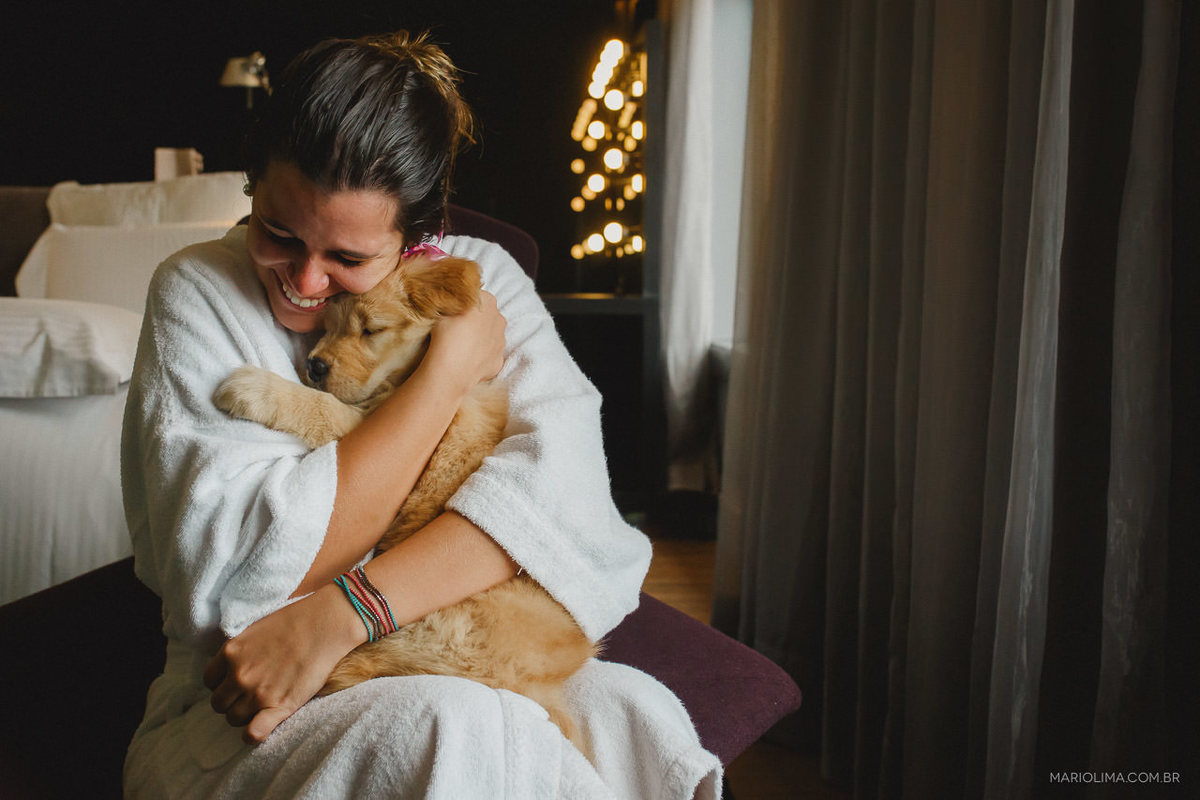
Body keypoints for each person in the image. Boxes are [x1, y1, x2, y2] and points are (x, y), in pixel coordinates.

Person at [120, 30, 721, 799]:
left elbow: (564, 512)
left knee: (634, 711)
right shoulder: (197, 292)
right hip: (243, 700)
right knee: (454, 722)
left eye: (347, 259)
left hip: (420, 644)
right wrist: (443, 380)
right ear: (251, 186)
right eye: (279, 232)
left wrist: (344, 614)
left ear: (416, 240)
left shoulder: (482, 278)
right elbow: (242, 576)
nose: (306, 281)